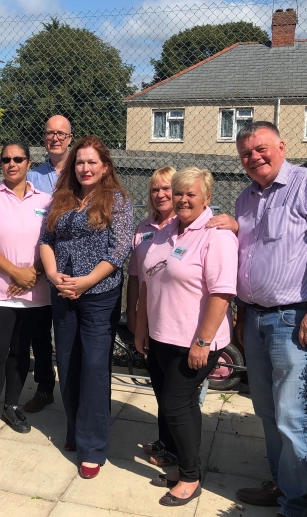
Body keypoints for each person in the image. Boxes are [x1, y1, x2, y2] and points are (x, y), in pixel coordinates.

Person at [232, 122, 307, 517]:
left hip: (295, 318)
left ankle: (296, 505)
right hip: (254, 318)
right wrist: (241, 312)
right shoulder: (246, 198)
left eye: (261, 148)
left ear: (282, 146)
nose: (254, 158)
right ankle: (282, 484)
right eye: (246, 153)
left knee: (292, 414)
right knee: (266, 410)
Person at [134, 167, 238, 507]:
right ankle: (182, 466)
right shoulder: (165, 233)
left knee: (177, 407)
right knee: (175, 405)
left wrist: (203, 343)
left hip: (194, 342)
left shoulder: (215, 236)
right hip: (161, 336)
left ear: (207, 198)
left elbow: (222, 294)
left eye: (190, 194)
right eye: (178, 193)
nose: (182, 199)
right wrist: (141, 326)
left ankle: (190, 477)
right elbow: (149, 280)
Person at [39, 135, 133, 479]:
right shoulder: (60, 198)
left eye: (92, 162)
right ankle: (75, 430)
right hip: (62, 292)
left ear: (105, 166)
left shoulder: (117, 200)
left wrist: (86, 281)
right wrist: (52, 274)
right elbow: (46, 240)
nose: (85, 168)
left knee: (94, 367)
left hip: (99, 294)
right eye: (80, 162)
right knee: (68, 362)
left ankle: (92, 446)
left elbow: (118, 249)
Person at [0, 141, 52, 449]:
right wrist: (16, 273)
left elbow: (53, 242)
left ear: (29, 163)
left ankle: (11, 406)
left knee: (20, 352)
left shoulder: (47, 199)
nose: (11, 163)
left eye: (18, 159)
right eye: (6, 159)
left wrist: (34, 274)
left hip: (35, 290)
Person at [124, 166, 179, 467]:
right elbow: (135, 276)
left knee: (175, 391)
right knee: (159, 384)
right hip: (151, 317)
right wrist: (134, 315)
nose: (160, 194)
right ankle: (164, 440)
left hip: (177, 320)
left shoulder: (185, 226)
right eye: (155, 189)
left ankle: (175, 448)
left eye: (167, 188)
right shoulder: (143, 228)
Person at [23, 114, 73, 413]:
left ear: (70, 137)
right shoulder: (32, 176)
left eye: (61, 133)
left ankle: (73, 389)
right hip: (39, 265)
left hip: (74, 264)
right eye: (49, 133)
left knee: (70, 333)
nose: (55, 138)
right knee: (39, 333)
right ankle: (45, 387)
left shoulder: (82, 170)